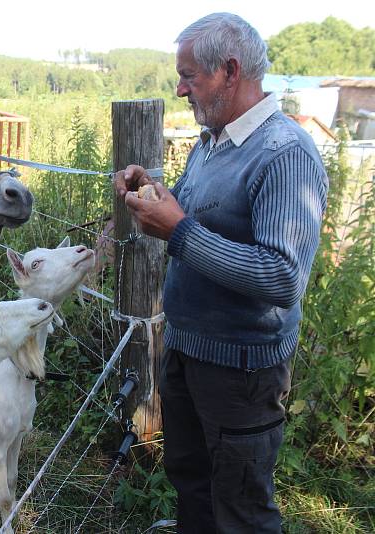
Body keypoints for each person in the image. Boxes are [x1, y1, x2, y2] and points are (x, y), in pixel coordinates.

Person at [114, 12, 328, 534]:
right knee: (193, 480)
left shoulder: (286, 154)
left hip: (241, 371)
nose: (180, 88)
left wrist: (179, 230)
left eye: (189, 75)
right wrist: (157, 198)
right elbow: (195, 215)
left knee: (242, 507)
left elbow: (281, 277)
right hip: (190, 351)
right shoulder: (213, 141)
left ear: (230, 71)